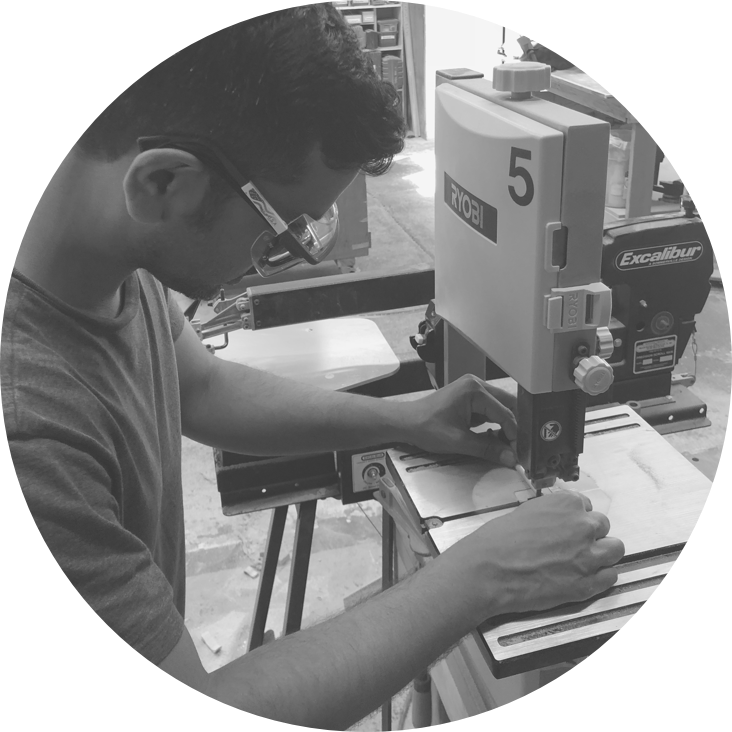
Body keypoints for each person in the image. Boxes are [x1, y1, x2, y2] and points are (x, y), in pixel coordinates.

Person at [2, 6, 624, 728]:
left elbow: (202, 387)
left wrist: (406, 419)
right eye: (283, 229)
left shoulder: (105, 258)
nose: (290, 251)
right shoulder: (31, 423)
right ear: (163, 183)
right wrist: (483, 574)